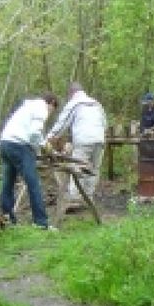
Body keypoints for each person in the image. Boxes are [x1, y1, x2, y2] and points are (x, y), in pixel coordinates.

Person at [0, 93, 59, 230]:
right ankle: (41, 222)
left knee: (8, 183)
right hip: (19, 145)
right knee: (34, 184)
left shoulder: (26, 107)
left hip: (5, 143)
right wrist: (45, 146)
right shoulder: (41, 108)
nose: (50, 113)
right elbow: (34, 134)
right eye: (52, 110)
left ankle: (7, 218)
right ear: (51, 103)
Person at [46, 82, 107, 212]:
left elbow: (62, 124)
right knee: (93, 169)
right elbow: (104, 123)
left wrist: (48, 139)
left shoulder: (75, 103)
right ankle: (88, 198)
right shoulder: (96, 103)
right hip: (99, 139)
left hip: (83, 140)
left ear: (71, 93)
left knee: (77, 168)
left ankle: (75, 200)